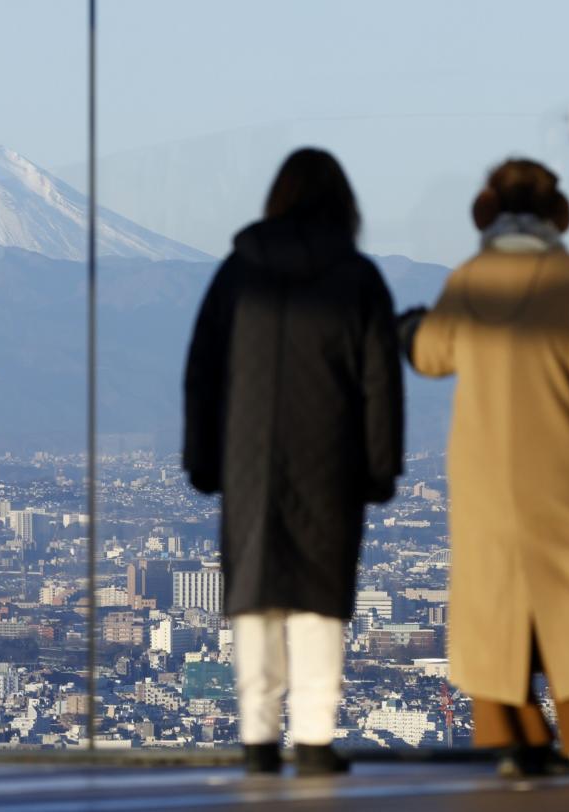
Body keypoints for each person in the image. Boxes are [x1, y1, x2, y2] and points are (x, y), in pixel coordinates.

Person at [404, 159, 569, 777]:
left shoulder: (471, 279)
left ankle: (514, 737)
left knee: (495, 605)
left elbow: (432, 355)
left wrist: (412, 327)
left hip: (487, 478)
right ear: (555, 215)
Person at [183, 148, 404, 777]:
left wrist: (203, 457)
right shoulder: (358, 277)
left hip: (249, 460)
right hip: (330, 461)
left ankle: (257, 737)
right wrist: (381, 466)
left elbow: (202, 373)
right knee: (318, 598)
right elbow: (380, 383)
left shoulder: (235, 272)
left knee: (256, 597)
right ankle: (312, 739)